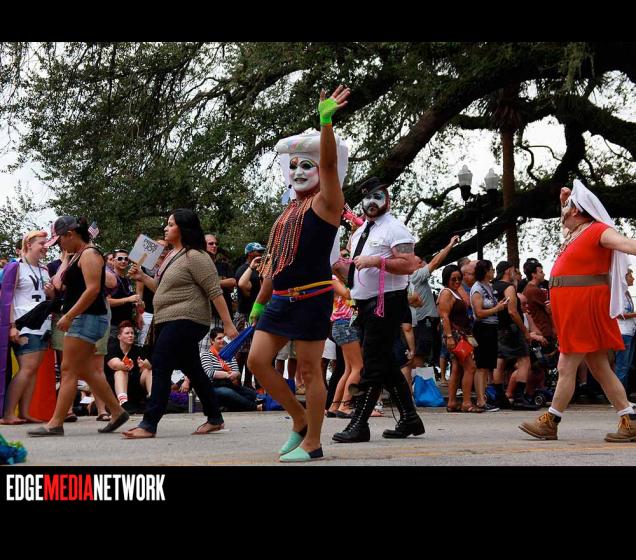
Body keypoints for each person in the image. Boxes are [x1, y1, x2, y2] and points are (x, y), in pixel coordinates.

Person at [247, 85, 350, 462]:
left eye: (306, 165)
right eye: (293, 166)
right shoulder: (289, 210)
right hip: (279, 300)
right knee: (257, 361)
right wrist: (259, 304)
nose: (298, 171)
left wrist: (325, 122)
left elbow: (329, 166)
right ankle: (299, 419)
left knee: (309, 372)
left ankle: (314, 442)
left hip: (312, 298)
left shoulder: (328, 203)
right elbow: (276, 261)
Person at [520, 180, 636, 442]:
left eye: (567, 208)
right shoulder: (576, 232)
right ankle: (629, 420)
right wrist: (564, 200)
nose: (561, 213)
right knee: (599, 367)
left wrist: (569, 202)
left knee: (566, 363)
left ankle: (551, 421)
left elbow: (628, 244)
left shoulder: (599, 230)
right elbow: (565, 219)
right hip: (575, 305)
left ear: (576, 210)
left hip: (584, 305)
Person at [123, 209, 238, 439]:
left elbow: (214, 291)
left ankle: (149, 423)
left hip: (187, 319)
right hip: (167, 319)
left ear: (184, 228)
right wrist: (143, 278)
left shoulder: (196, 256)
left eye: (171, 224)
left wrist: (228, 324)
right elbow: (162, 289)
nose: (166, 228)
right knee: (194, 369)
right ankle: (215, 418)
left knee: (160, 363)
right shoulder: (171, 255)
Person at [332, 174, 424, 443]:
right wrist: (336, 266)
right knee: (385, 364)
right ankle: (410, 418)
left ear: (388, 200)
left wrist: (376, 262)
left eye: (378, 196)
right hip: (364, 306)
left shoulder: (395, 228)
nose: (371, 202)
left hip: (387, 303)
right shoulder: (360, 232)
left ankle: (359, 424)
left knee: (372, 364)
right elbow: (353, 272)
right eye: (367, 197)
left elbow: (409, 264)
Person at [27, 217, 129, 437]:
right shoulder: (79, 254)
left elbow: (93, 290)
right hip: (85, 317)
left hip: (86, 317)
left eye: (60, 240)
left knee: (68, 369)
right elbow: (64, 285)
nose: (60, 245)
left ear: (71, 234)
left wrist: (69, 316)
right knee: (86, 370)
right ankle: (117, 411)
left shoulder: (90, 254)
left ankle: (56, 422)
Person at [0, 231, 54, 425]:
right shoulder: (16, 266)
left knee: (32, 370)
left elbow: (49, 297)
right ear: (29, 244)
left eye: (46, 243)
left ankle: (24, 412)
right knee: (27, 368)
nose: (45, 247)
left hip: (43, 324)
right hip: (23, 323)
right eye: (41, 243)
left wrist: (52, 292)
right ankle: (8, 414)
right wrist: (12, 325)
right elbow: (7, 297)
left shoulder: (44, 269)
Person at [492, 260, 538, 410]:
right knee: (524, 360)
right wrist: (524, 330)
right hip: (511, 328)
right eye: (513, 270)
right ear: (508, 271)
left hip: (498, 327)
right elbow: (512, 311)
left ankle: (500, 397)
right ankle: (519, 397)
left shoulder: (493, 286)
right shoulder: (508, 287)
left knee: (499, 361)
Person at [409, 235, 460, 373]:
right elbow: (435, 262)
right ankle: (417, 381)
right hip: (422, 323)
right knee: (420, 355)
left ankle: (416, 380)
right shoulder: (415, 276)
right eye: (420, 262)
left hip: (425, 322)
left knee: (422, 354)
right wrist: (450, 244)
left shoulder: (413, 279)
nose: (424, 264)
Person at [438, 265, 481, 413]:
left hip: (460, 334)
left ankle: (452, 402)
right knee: (470, 367)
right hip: (456, 335)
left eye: (459, 278)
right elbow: (444, 316)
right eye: (453, 279)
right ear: (446, 279)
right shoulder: (446, 293)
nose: (457, 281)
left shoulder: (455, 292)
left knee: (456, 368)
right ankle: (466, 402)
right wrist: (449, 337)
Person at [470, 260, 507, 411]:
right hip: (482, 328)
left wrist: (499, 305)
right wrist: (497, 309)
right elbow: (478, 313)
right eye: (491, 269)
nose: (493, 272)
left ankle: (483, 398)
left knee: (487, 366)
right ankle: (480, 400)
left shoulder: (489, 287)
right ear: (485, 271)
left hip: (491, 328)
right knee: (481, 365)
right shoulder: (477, 288)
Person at [195, 328, 262, 412]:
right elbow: (210, 373)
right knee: (229, 393)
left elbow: (237, 373)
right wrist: (228, 375)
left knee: (251, 394)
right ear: (212, 341)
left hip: (229, 385)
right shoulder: (206, 355)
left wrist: (235, 374)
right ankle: (255, 407)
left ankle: (227, 407)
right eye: (219, 338)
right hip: (212, 387)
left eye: (223, 338)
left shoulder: (229, 354)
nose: (222, 340)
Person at [235, 242, 265, 388]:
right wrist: (251, 267)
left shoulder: (261, 270)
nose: (260, 254)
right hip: (244, 314)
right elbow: (243, 286)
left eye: (261, 252)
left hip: (258, 314)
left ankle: (249, 382)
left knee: (253, 351)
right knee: (241, 350)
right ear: (249, 253)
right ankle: (237, 381)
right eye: (257, 251)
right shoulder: (243, 269)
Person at [106, 320, 152, 413]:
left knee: (149, 371)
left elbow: (149, 364)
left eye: (132, 333)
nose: (131, 335)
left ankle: (153, 398)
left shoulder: (138, 349)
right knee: (121, 371)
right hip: (115, 385)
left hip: (135, 386)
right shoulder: (112, 348)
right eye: (127, 333)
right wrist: (126, 365)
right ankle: (123, 402)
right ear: (119, 337)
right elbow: (114, 365)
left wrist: (144, 364)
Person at [614, 269, 636, 389]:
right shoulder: (619, 294)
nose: (633, 278)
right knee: (622, 366)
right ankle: (618, 395)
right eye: (630, 276)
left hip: (629, 332)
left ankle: (623, 394)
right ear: (624, 278)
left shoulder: (626, 292)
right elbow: (618, 314)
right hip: (623, 333)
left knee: (626, 365)